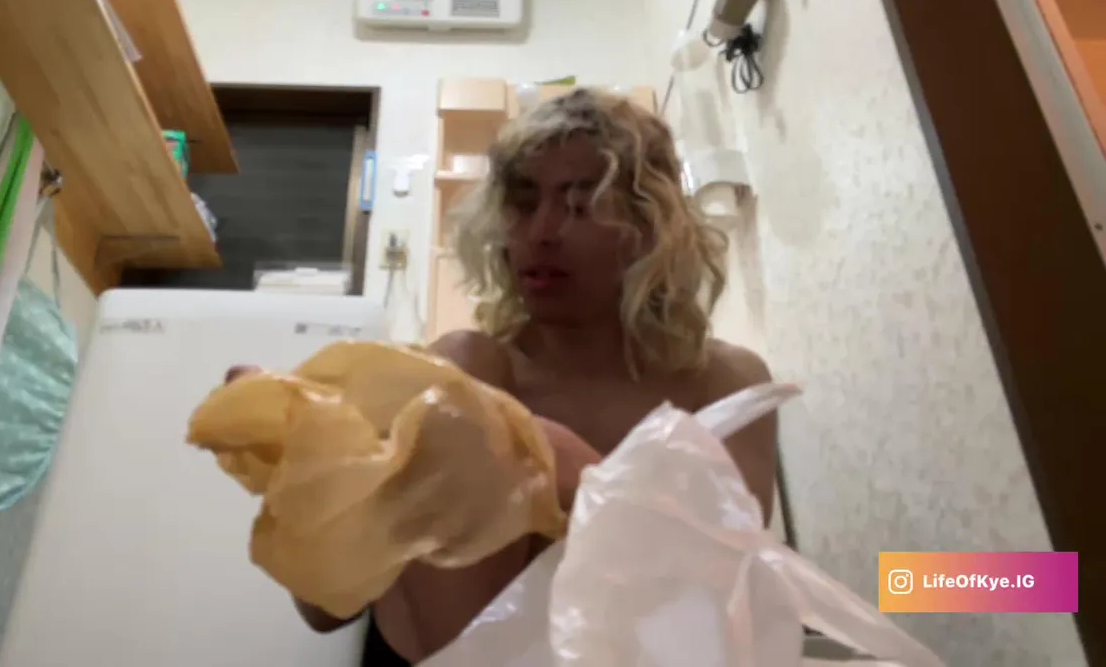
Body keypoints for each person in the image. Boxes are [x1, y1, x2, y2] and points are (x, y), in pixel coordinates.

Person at [228, 88, 779, 666]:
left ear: (650, 225)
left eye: (580, 204)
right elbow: (324, 611)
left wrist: (573, 475)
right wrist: (309, 468)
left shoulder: (723, 384)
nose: (540, 232)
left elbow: (724, 593)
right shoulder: (463, 370)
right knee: (464, 385)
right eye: (522, 203)